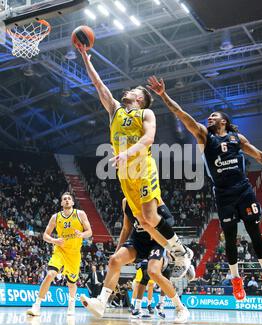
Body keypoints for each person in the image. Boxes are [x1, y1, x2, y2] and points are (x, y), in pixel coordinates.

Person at [147, 75, 262, 301]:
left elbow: (261, 157)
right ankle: (236, 280)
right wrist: (163, 95)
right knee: (230, 237)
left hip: (243, 189)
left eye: (214, 115)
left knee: (255, 231)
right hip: (223, 193)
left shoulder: (238, 138)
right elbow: (182, 115)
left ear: (224, 121)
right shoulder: (204, 136)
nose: (210, 117)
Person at [78, 46, 193, 278]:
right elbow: (99, 85)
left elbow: (149, 139)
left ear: (140, 99)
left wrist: (127, 153)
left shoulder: (146, 114)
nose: (126, 92)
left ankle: (180, 251)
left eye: (132, 91)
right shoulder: (115, 111)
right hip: (125, 173)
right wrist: (84, 58)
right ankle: (180, 251)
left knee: (150, 216)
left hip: (142, 166)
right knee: (143, 220)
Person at [80, 198, 190, 323]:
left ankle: (180, 308)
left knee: (153, 272)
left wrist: (152, 226)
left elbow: (170, 220)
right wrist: (117, 250)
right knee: (115, 260)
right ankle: (101, 303)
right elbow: (126, 229)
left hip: (156, 242)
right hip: (137, 241)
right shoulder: (126, 201)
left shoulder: (153, 197)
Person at [26, 192, 92, 316]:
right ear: (61, 203)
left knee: (71, 283)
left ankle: (71, 304)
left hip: (74, 254)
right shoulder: (55, 217)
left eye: (69, 199)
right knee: (50, 274)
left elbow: (89, 231)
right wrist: (54, 240)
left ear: (72, 202)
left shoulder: (80, 214)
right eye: (64, 199)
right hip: (60, 251)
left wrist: (82, 234)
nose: (67, 200)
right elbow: (45, 235)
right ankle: (36, 306)